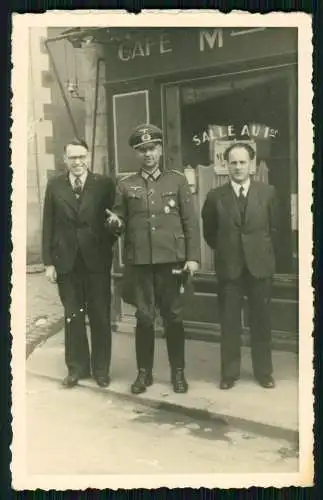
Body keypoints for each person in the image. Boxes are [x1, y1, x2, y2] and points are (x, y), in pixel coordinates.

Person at [106, 124, 200, 395]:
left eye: (152, 148)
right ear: (137, 153)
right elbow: (119, 221)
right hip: (141, 263)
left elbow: (189, 223)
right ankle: (143, 373)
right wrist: (114, 222)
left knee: (173, 318)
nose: (148, 154)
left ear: (160, 150)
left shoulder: (177, 180)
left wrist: (192, 258)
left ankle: (178, 373)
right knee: (144, 318)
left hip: (172, 261)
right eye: (142, 150)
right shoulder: (125, 185)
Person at [201, 142, 279, 390]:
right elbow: (209, 232)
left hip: (259, 267)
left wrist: (261, 253)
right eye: (233, 162)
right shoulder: (215, 197)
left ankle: (264, 372)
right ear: (226, 165)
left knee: (262, 322)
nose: (238, 167)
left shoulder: (267, 192)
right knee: (230, 322)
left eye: (242, 162)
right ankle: (230, 373)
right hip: (230, 268)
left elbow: (276, 230)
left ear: (251, 165)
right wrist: (227, 251)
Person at [42, 139, 116, 388]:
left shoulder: (104, 184)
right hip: (67, 262)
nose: (78, 162)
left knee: (100, 316)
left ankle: (101, 369)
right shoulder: (54, 186)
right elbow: (48, 225)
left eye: (82, 157)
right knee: (72, 315)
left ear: (88, 158)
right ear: (65, 159)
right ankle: (76, 368)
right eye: (73, 158)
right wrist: (48, 262)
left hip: (96, 261)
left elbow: (113, 223)